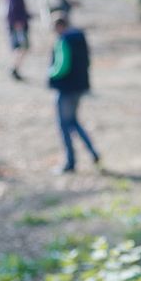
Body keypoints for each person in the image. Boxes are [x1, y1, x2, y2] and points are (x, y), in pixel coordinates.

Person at [48, 13, 100, 174]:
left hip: (65, 89)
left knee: (65, 125)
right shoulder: (80, 38)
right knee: (74, 122)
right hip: (79, 87)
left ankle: (70, 162)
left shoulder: (64, 41)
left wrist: (51, 74)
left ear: (59, 26)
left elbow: (62, 66)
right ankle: (93, 153)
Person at [4, 0, 31, 81]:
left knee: (21, 47)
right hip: (18, 24)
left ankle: (15, 68)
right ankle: (14, 68)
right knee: (22, 47)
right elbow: (13, 9)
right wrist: (18, 22)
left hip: (17, 23)